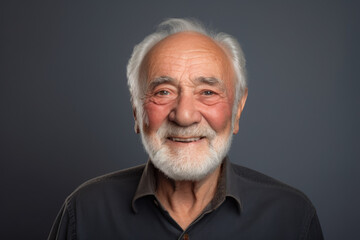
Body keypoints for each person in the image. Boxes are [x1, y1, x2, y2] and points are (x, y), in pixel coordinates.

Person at [48, 18, 324, 240]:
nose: (184, 115)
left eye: (207, 92)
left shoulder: (292, 217)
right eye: (163, 91)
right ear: (136, 110)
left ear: (237, 109)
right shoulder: (83, 213)